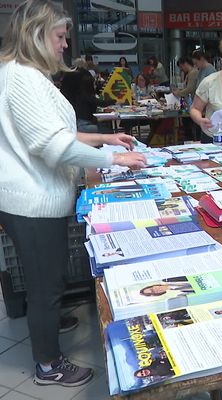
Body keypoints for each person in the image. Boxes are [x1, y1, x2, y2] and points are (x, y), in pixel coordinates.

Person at [0, 0, 146, 387]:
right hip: (31, 201)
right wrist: (115, 157)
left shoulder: (26, 74)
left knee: (47, 276)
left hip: (34, 196)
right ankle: (48, 364)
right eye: (61, 36)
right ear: (37, 34)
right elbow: (54, 147)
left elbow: (56, 134)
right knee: (45, 283)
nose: (66, 44)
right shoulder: (24, 79)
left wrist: (102, 136)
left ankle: (46, 319)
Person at [60, 67, 114, 132]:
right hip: (83, 125)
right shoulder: (86, 95)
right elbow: (101, 103)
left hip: (75, 124)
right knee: (107, 131)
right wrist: (114, 100)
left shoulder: (73, 95)